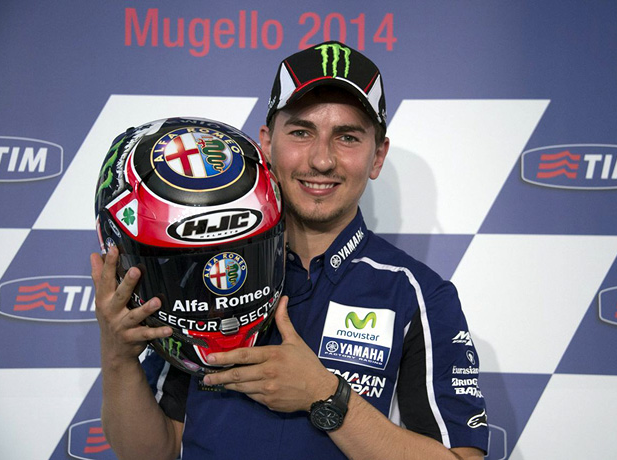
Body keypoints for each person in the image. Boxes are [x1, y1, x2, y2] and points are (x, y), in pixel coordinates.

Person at [91, 41, 488, 460]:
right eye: (301, 132)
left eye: (347, 137)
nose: (321, 160)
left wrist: (326, 396)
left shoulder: (418, 295)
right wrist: (117, 357)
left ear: (377, 156)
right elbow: (153, 452)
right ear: (266, 143)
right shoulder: (195, 264)